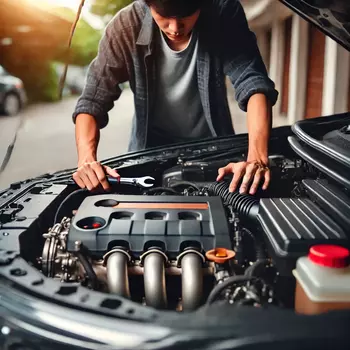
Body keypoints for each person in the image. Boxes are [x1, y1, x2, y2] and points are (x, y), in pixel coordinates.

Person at [72, 0, 278, 195]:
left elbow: (252, 81)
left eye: (185, 16)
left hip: (214, 153)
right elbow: (92, 100)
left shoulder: (222, 12)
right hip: (148, 154)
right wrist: (86, 161)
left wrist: (257, 158)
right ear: (148, 3)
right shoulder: (126, 26)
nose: (174, 28)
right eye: (164, 17)